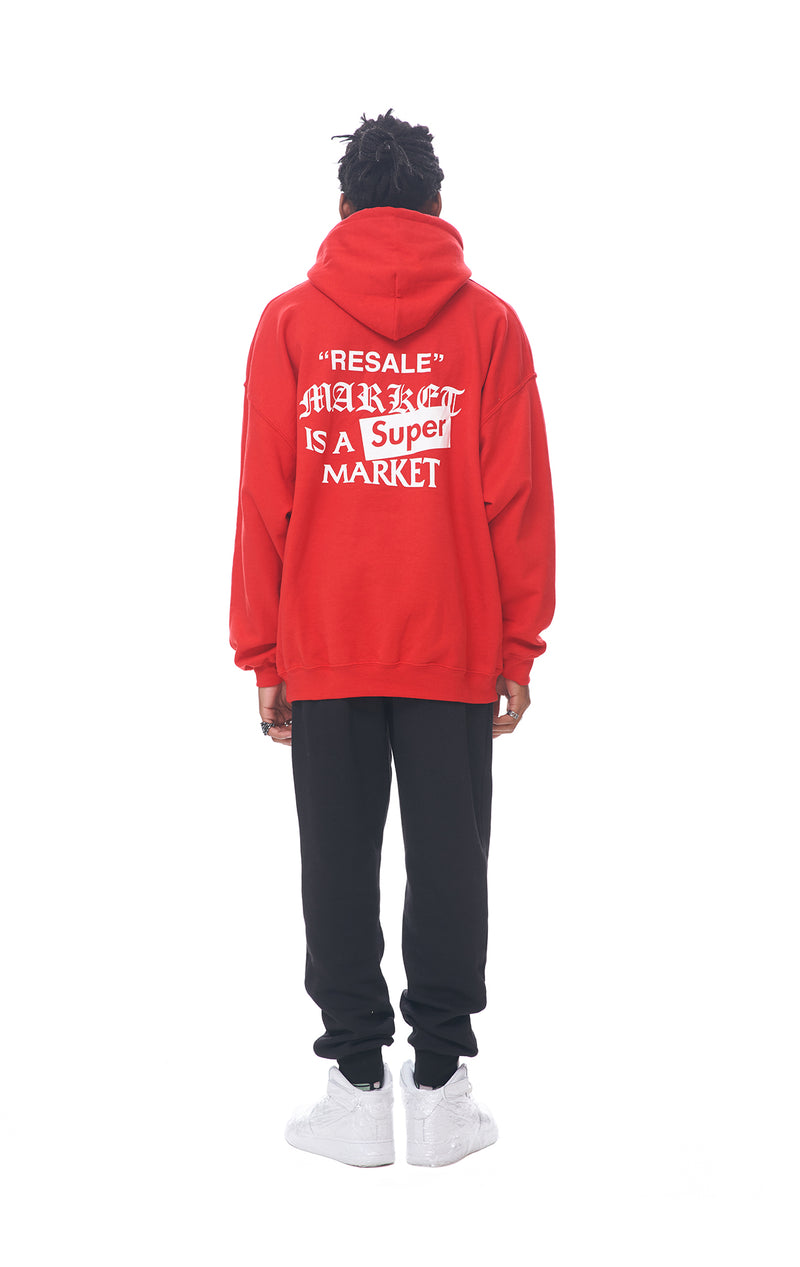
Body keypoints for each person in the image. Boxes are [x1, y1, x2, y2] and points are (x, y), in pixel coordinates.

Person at [229, 108, 556, 1167]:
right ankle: (443, 1086)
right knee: (452, 857)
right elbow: (517, 495)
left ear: (342, 209)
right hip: (453, 638)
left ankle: (358, 1085)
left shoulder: (287, 324)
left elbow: (265, 496)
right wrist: (517, 644)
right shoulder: (491, 326)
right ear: (438, 206)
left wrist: (263, 652)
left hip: (324, 638)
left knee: (333, 857)